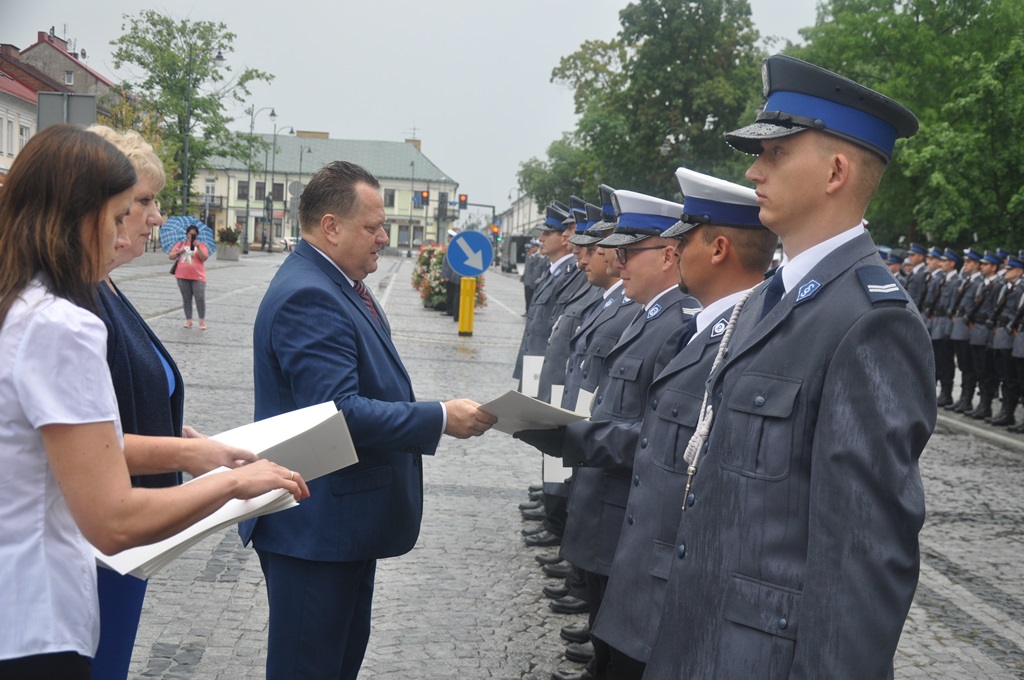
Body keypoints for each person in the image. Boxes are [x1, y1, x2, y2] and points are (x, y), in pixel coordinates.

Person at [643, 54, 936, 678]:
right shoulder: (764, 302)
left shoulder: (870, 321)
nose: (754, 169)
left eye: (775, 154)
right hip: (696, 643)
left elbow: (861, 558)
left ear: (835, 171)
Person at [0, 124, 308, 678]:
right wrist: (233, 485)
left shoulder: (19, 301)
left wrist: (194, 456)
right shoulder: (61, 324)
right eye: (122, 214)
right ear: (80, 215)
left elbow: (84, 446)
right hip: (34, 617)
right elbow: (113, 519)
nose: (128, 230)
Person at [238, 160, 497, 680]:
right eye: (372, 226)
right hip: (314, 530)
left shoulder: (337, 281)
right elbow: (340, 413)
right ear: (330, 226)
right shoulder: (309, 294)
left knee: (335, 664)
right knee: (308, 668)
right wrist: (440, 417)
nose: (384, 236)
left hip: (339, 527)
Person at [562, 168, 776, 680]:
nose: (672, 252)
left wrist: (569, 436)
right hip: (640, 565)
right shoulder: (702, 329)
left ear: (719, 248)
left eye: (682, 240)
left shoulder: (739, 337)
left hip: (667, 576)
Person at [87, 125, 261, 680]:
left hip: (129, 540)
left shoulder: (107, 287)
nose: (156, 217)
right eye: (142, 202)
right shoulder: (73, 304)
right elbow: (90, 442)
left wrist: (194, 443)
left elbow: (131, 404)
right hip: (97, 539)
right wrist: (200, 465)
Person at [517, 189, 701, 680]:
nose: (616, 264)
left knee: (620, 637)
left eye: (627, 252)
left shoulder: (678, 323)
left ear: (667, 254)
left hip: (624, 502)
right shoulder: (647, 314)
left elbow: (656, 436)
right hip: (602, 491)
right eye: (613, 252)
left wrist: (561, 435)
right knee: (605, 626)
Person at [169, 224, 209, 329]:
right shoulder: (180, 244)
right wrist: (179, 251)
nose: (192, 235)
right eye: (190, 233)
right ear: (187, 234)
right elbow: (171, 256)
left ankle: (202, 320)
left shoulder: (202, 245)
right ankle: (188, 320)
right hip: (182, 275)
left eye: (194, 234)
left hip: (198, 276)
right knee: (186, 298)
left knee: (199, 298)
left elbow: (204, 258)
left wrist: (198, 247)